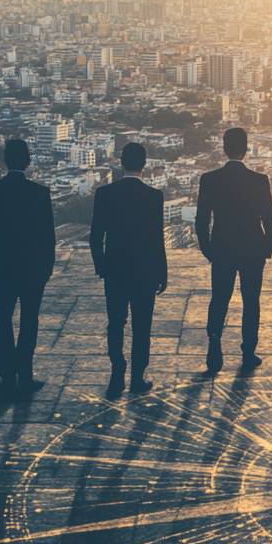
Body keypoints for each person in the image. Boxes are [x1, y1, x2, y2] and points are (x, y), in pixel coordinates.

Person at [0, 138, 55, 399]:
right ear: (28, 161)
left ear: (4, 161)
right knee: (29, 322)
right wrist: (47, 269)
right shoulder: (39, 193)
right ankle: (25, 374)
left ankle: (7, 375)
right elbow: (47, 237)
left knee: (1, 321)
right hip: (32, 270)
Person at [196, 128, 272, 373]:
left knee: (219, 298)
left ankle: (214, 345)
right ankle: (249, 351)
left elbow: (202, 219)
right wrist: (267, 247)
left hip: (221, 247)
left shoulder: (210, 179)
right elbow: (269, 218)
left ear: (224, 148)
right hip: (253, 249)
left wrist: (207, 248)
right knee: (251, 301)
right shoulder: (259, 180)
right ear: (246, 148)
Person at [89, 142, 166, 398]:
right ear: (144, 165)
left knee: (116, 323)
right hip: (144, 270)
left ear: (122, 162)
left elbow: (95, 236)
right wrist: (161, 272)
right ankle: (137, 377)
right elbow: (157, 240)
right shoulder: (154, 196)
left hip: (115, 270)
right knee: (142, 326)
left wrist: (101, 266)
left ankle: (116, 370)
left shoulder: (105, 194)